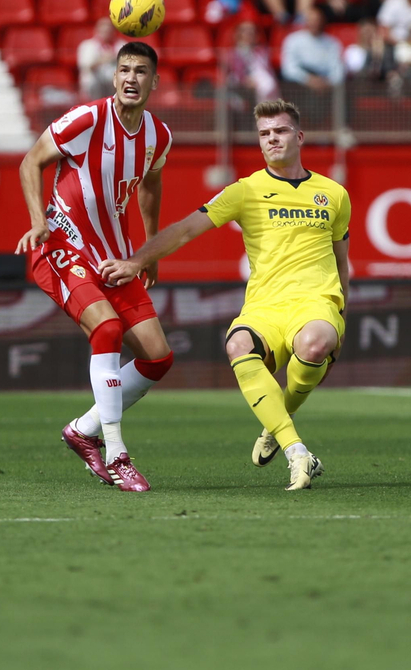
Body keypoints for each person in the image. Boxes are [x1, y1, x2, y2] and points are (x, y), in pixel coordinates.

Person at [100, 99, 346, 491]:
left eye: (280, 131)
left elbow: (341, 259)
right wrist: (135, 261)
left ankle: (277, 422)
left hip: (316, 302)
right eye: (264, 134)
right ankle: (295, 449)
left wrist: (342, 314)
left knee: (314, 344)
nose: (272, 140)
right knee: (237, 344)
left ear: (298, 137)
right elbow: (184, 229)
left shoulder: (333, 195)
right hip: (264, 306)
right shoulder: (245, 191)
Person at [16, 41, 177, 493]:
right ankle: (116, 453)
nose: (131, 78)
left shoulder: (157, 136)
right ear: (113, 77)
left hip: (114, 255)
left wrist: (147, 252)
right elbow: (31, 161)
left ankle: (82, 430)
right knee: (106, 330)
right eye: (124, 69)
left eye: (140, 71)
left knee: (158, 357)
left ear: (154, 82)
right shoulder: (87, 119)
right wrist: (37, 221)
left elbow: (151, 184)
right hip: (62, 248)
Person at [281, 7, 346, 89]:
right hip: (298, 88)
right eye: (311, 20)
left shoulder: (333, 43)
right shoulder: (293, 40)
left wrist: (327, 82)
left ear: (323, 21)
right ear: (306, 21)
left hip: (325, 89)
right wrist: (307, 79)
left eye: (317, 20)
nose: (315, 24)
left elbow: (338, 71)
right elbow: (288, 69)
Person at [75, 17, 122, 99]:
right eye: (103, 31)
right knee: (92, 81)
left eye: (109, 30)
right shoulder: (87, 45)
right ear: (97, 30)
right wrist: (103, 60)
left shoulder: (122, 45)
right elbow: (86, 67)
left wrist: (115, 58)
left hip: (114, 85)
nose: (106, 33)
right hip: (94, 86)